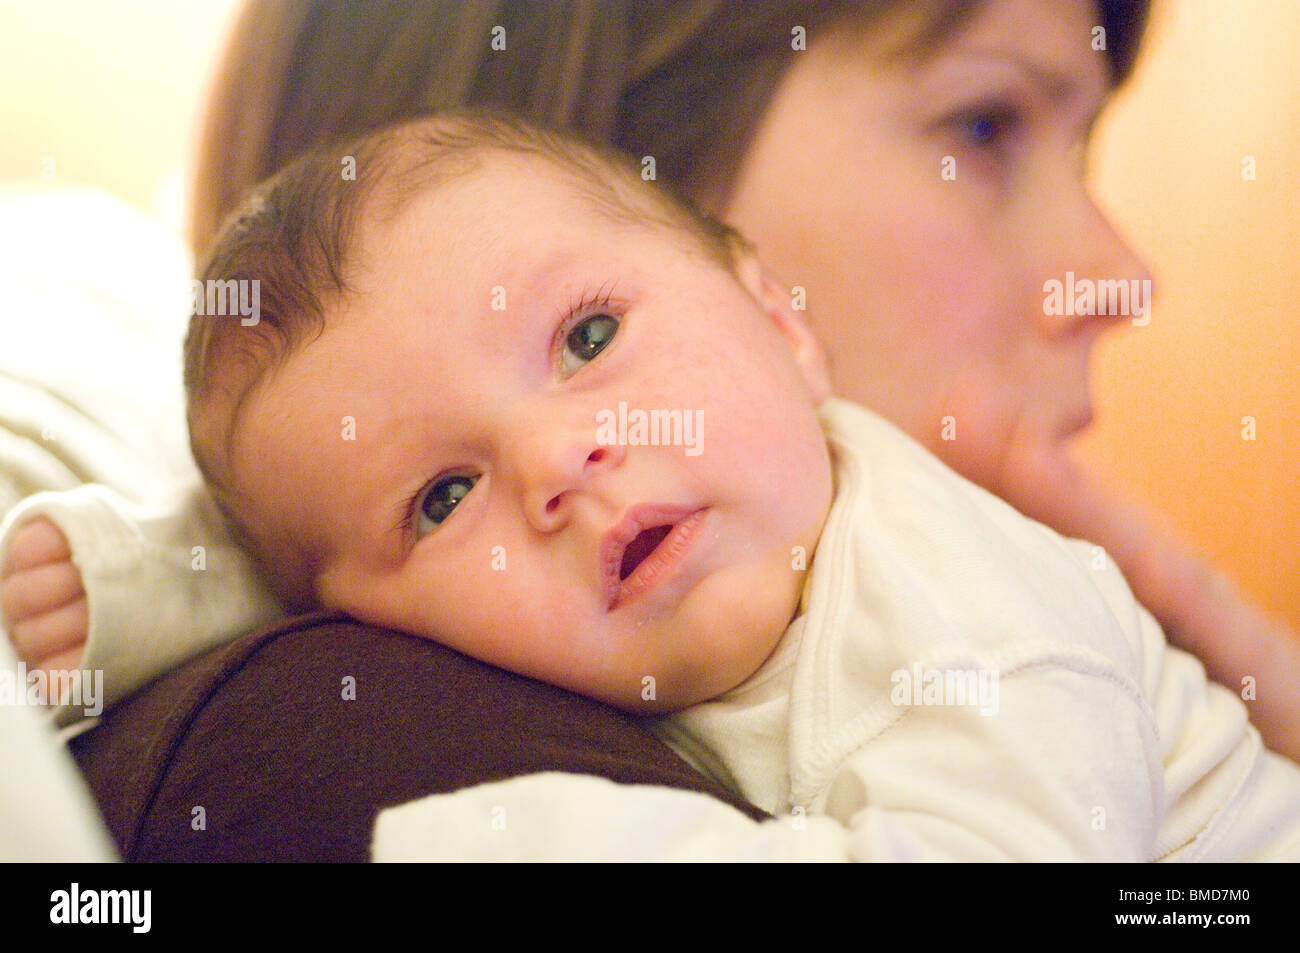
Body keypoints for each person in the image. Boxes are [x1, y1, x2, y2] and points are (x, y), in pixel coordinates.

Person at [176, 110, 1300, 858]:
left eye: (590, 335)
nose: (557, 461)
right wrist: (135, 589)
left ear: (777, 319)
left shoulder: (966, 606)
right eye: (439, 498)